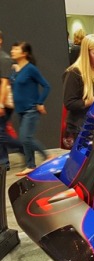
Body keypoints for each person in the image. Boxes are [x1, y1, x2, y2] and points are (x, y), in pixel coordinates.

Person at [9, 41, 51, 176]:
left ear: (24, 53)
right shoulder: (16, 70)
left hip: (30, 110)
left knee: (25, 138)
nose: (12, 51)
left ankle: (47, 156)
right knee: (26, 139)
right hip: (20, 110)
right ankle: (30, 165)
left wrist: (40, 102)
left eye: (16, 49)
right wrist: (15, 72)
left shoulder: (31, 69)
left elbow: (46, 86)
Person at [62, 34, 94, 148]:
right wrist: (92, 101)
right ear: (86, 53)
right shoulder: (74, 73)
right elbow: (69, 103)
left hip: (93, 125)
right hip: (80, 127)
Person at [0, 31, 24, 171]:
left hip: (3, 102)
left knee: (1, 133)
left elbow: (4, 83)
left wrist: (1, 104)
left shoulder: (4, 58)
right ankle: (4, 162)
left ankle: (24, 148)